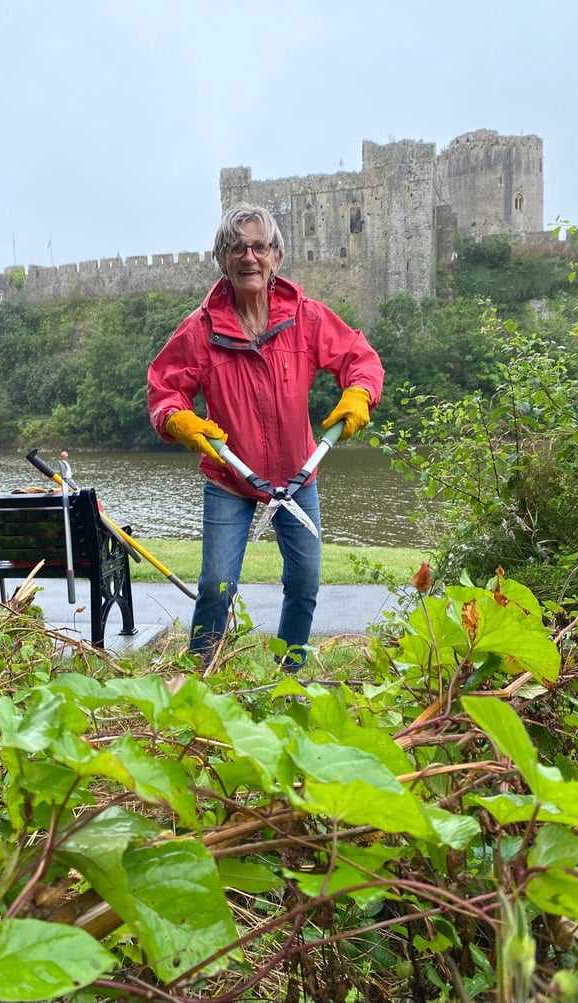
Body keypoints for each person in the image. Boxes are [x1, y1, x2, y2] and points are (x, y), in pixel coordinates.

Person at [147, 203, 384, 669]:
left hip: (298, 477)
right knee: (216, 584)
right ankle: (200, 675)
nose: (248, 257)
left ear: (276, 256)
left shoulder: (306, 317)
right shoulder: (201, 330)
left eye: (258, 247)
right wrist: (178, 420)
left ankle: (288, 673)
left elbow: (361, 359)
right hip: (229, 479)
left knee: (306, 582)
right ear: (222, 260)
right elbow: (164, 388)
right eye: (236, 248)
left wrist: (359, 395)